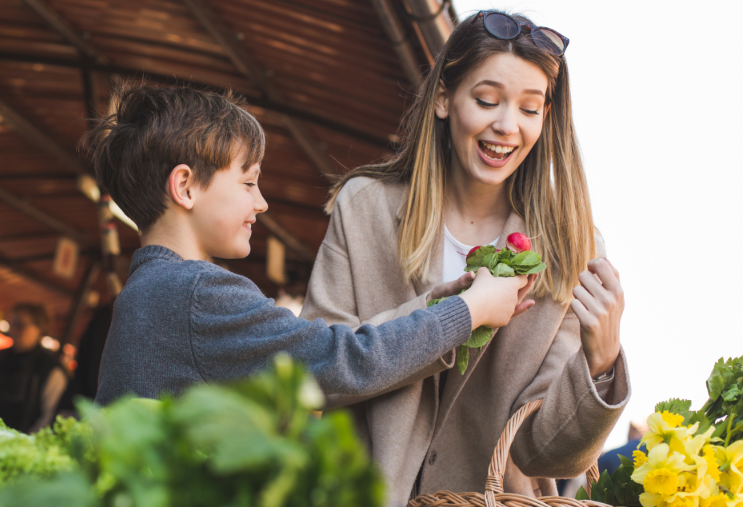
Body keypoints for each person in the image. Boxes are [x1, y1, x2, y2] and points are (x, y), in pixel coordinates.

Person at [300, 10, 630, 506]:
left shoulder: (569, 246)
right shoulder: (363, 206)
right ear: (443, 99)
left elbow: (545, 453)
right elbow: (314, 372)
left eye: (529, 108)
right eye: (486, 100)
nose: (506, 126)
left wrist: (600, 364)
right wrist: (459, 311)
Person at [82, 84, 535, 407]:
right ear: (185, 186)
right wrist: (470, 310)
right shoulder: (199, 294)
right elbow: (347, 360)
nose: (260, 203)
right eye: (248, 182)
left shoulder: (144, 293)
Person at [0, 303, 68, 432]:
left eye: (21, 325)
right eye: (12, 323)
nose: (13, 330)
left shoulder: (50, 368)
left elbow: (51, 417)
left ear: (40, 328)